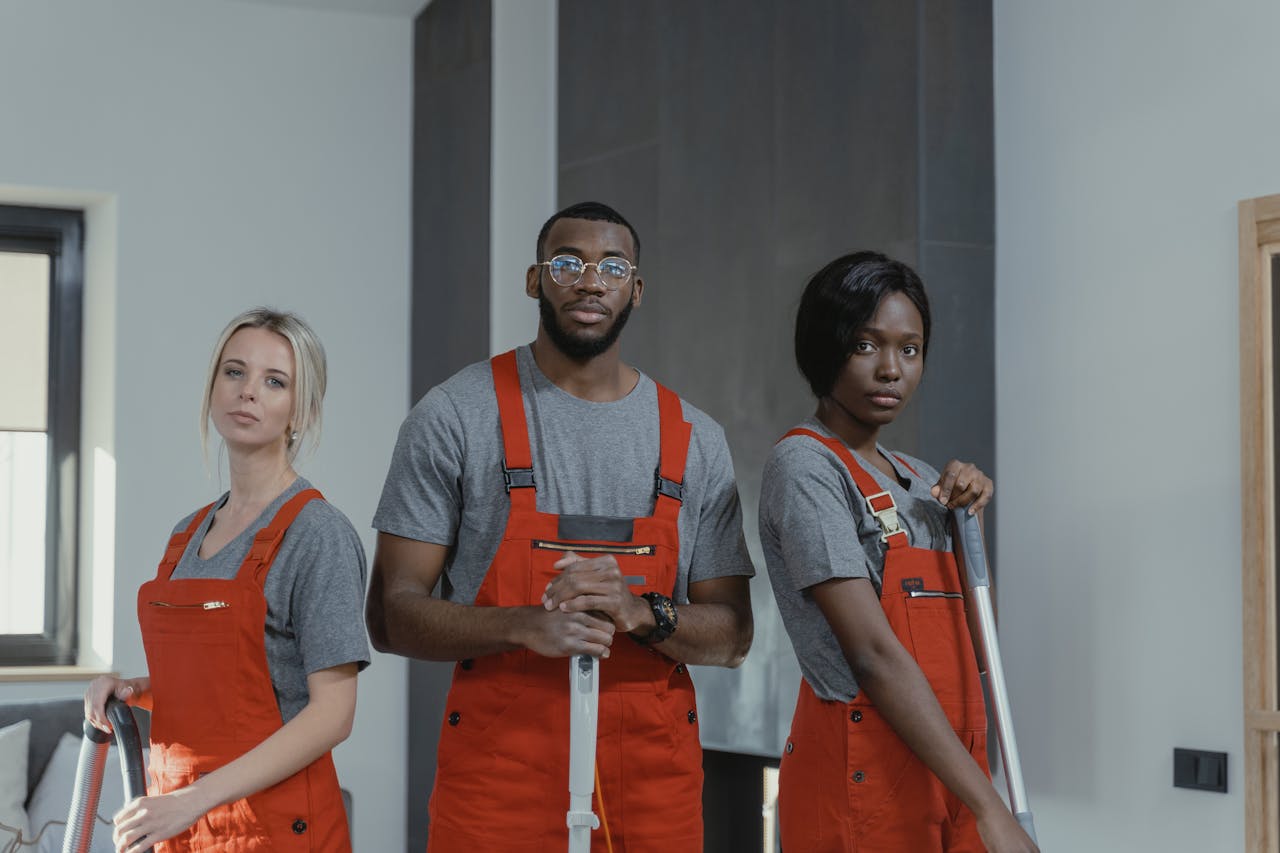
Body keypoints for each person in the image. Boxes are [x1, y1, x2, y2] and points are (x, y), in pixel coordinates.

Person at [367, 200, 755, 851]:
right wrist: (522, 623)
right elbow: (390, 613)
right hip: (498, 785)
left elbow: (735, 634)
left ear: (636, 287)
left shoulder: (695, 440)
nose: (589, 280)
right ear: (534, 279)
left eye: (612, 265)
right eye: (568, 262)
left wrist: (644, 612)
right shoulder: (456, 415)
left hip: (652, 792)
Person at [759, 252, 1038, 853]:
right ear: (823, 347)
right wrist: (988, 807)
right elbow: (873, 655)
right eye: (866, 345)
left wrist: (969, 526)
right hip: (864, 775)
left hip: (948, 763)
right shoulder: (807, 466)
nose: (891, 369)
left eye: (909, 349)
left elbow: (972, 644)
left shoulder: (921, 479)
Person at [85, 308, 369, 852]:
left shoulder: (318, 534)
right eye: (234, 372)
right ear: (213, 388)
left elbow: (333, 715)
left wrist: (193, 800)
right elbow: (226, 690)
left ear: (301, 412)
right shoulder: (186, 536)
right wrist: (134, 691)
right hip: (183, 827)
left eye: (274, 381)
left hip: (274, 830)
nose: (248, 393)